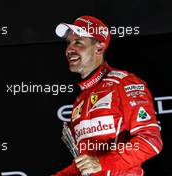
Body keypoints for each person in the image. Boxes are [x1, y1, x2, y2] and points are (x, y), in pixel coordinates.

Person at [53, 16, 163, 176]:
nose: (69, 49)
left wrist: (101, 163)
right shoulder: (79, 101)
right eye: (68, 43)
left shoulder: (124, 83)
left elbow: (150, 141)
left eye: (77, 42)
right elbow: (83, 165)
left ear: (99, 48)